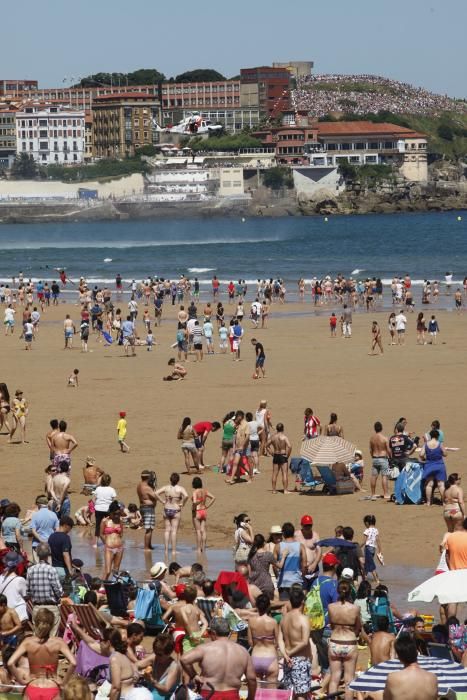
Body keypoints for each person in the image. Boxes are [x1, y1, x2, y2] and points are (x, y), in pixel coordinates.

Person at [181, 617, 257, 700]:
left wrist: (194, 675)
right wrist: (250, 698)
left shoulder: (205, 649)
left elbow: (184, 659)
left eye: (209, 632)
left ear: (213, 632)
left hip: (210, 693)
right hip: (232, 695)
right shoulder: (243, 651)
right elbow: (252, 678)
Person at [7, 607, 76, 697]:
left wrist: (21, 681)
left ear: (35, 623)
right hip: (52, 686)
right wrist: (63, 682)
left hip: (33, 686)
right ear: (53, 625)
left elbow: (10, 663)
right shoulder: (58, 642)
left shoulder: (28, 642)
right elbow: (73, 663)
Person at [327, 580, 361, 700]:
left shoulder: (331, 607)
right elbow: (358, 627)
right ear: (350, 591)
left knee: (334, 677)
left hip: (335, 642)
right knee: (349, 679)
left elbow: (331, 625)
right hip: (349, 643)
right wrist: (352, 634)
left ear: (338, 591)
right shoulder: (355, 608)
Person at [279, 587, 313, 700]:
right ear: (302, 601)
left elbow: (279, 639)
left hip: (287, 660)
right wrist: (289, 653)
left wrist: (285, 654)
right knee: (301, 695)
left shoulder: (284, 619)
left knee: (290, 694)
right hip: (300, 659)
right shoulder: (304, 619)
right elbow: (304, 641)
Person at [382, 632, 437, 700]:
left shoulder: (392, 678)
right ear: (416, 653)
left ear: (399, 657)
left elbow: (386, 698)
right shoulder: (432, 678)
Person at [26, 543, 63, 637]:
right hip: (51, 608)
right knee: (52, 637)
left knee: (38, 637)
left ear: (37, 554)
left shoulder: (30, 570)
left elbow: (28, 591)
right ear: (49, 554)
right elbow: (58, 590)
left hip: (37, 608)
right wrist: (59, 597)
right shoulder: (52, 570)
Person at [136, 633, 181, 700]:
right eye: (155, 652)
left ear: (169, 653)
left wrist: (151, 681)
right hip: (149, 693)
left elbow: (165, 690)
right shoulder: (155, 657)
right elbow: (136, 665)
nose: (156, 656)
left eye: (160, 654)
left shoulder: (174, 667)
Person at [248, 594, 279, 684]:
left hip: (255, 657)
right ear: (269, 606)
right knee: (271, 694)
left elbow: (250, 642)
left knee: (256, 694)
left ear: (257, 605)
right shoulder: (273, 622)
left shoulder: (251, 621)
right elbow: (277, 643)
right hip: (270, 656)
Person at [155, 473, 189, 558]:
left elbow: (156, 493)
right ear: (178, 480)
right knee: (174, 531)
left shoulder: (166, 488)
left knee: (167, 530)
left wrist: (162, 501)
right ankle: (173, 551)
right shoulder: (180, 488)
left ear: (170, 479)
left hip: (166, 509)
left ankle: (166, 550)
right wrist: (182, 503)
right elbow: (186, 496)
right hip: (176, 509)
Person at [275, 522, 306, 600]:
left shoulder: (278, 546)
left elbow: (274, 565)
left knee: (284, 607)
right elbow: (304, 565)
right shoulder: (300, 546)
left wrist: (278, 576)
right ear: (293, 533)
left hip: (283, 582)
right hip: (296, 581)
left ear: (283, 533)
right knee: (297, 606)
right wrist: (301, 576)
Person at [419, 429, 447, 505]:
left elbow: (421, 454)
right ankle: (444, 502)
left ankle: (428, 502)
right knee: (441, 484)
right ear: (437, 436)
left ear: (430, 436)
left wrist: (425, 458)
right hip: (439, 465)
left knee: (429, 484)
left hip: (429, 465)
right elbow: (445, 454)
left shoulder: (426, 444)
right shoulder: (439, 444)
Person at [295, 515, 321, 589]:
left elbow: (319, 551)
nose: (308, 527)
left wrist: (315, 563)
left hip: (313, 569)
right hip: (300, 570)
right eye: (306, 525)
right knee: (302, 592)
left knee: (313, 591)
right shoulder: (296, 535)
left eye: (310, 525)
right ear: (302, 525)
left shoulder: (315, 535)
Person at [31, 496, 59, 563]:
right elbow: (57, 530)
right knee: (49, 565)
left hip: (37, 544)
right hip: (50, 544)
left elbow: (33, 531)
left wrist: (41, 540)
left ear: (39, 505)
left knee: (37, 566)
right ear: (47, 504)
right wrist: (50, 540)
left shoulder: (35, 515)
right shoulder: (53, 514)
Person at [100, 502, 124, 580]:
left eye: (118, 513)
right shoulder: (105, 521)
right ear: (110, 512)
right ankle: (101, 587)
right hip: (109, 548)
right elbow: (101, 534)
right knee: (107, 571)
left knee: (116, 571)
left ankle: (113, 588)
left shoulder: (120, 521)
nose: (117, 515)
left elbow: (121, 534)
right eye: (115, 513)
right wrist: (106, 543)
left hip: (119, 548)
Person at [192, 477, 215, 554]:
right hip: (204, 511)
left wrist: (194, 507)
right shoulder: (205, 491)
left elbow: (195, 502)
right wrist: (207, 506)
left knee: (198, 531)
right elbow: (213, 498)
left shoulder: (195, 492)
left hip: (197, 511)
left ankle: (198, 549)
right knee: (203, 530)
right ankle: (204, 548)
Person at [266, 423, 292, 495]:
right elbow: (289, 446)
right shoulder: (284, 437)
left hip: (276, 455)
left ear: (277, 429)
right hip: (283, 456)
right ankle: (285, 490)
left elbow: (267, 446)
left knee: (275, 473)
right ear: (283, 429)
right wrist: (287, 455)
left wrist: (272, 454)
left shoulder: (273, 437)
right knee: (284, 473)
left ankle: (274, 490)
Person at [226, 411, 250, 485]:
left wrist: (243, 445)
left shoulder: (246, 424)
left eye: (237, 417)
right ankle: (250, 475)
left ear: (240, 416)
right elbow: (236, 436)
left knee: (235, 463)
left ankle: (232, 479)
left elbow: (247, 436)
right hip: (237, 447)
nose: (236, 418)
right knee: (241, 464)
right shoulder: (238, 425)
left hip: (242, 447)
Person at [48, 515, 74, 583]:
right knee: (67, 591)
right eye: (70, 528)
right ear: (66, 525)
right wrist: (70, 570)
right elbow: (65, 554)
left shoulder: (51, 536)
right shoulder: (65, 538)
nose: (70, 530)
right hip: (63, 570)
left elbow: (49, 553)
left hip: (53, 569)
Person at [369, 422, 391, 500]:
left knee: (374, 476)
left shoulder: (372, 438)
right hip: (383, 458)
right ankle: (385, 493)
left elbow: (371, 450)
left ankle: (373, 494)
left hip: (375, 458)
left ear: (375, 428)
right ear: (381, 428)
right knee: (384, 476)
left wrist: (373, 456)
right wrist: (390, 457)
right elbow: (388, 450)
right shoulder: (384, 438)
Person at [137, 470, 157, 551]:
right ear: (148, 477)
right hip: (148, 508)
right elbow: (155, 496)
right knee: (148, 529)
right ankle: (146, 547)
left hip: (143, 507)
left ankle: (149, 545)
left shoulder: (139, 485)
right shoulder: (147, 488)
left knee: (150, 528)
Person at [93, 473, 117, 542]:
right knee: (108, 525)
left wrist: (95, 506)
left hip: (98, 509)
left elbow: (94, 499)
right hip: (108, 510)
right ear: (109, 481)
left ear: (101, 481)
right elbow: (114, 500)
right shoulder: (111, 489)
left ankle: (95, 544)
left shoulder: (98, 489)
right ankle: (108, 541)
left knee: (97, 526)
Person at [363, 515, 382, 585]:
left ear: (367, 523)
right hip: (373, 548)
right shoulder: (376, 530)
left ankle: (377, 580)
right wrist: (380, 550)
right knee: (367, 563)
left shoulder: (367, 530)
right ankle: (364, 577)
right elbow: (378, 540)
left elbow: (364, 541)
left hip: (368, 548)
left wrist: (359, 546)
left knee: (370, 564)